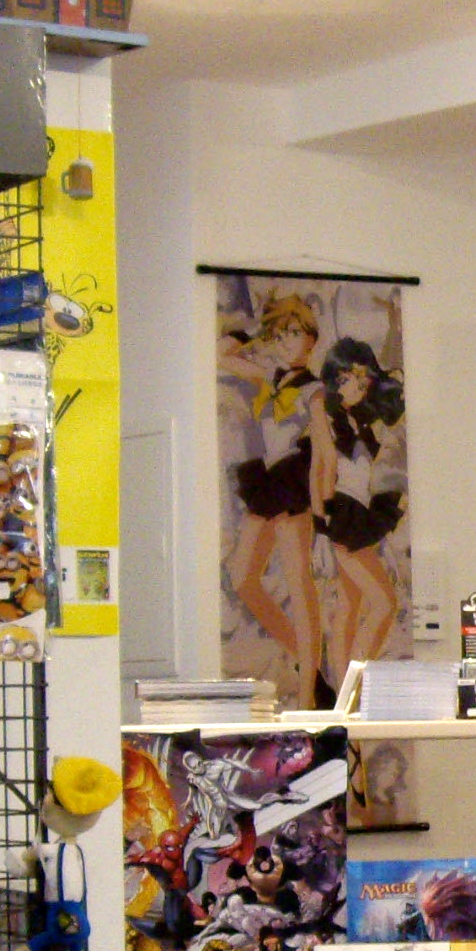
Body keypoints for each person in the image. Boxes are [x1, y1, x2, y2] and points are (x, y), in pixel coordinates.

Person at [221, 292, 326, 705]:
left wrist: (323, 507)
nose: (286, 342)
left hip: (293, 479)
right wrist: (256, 330)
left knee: (299, 582)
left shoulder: (312, 388)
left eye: (294, 333)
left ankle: (309, 693)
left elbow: (325, 448)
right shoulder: (269, 377)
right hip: (267, 479)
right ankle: (309, 662)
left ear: (311, 339)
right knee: (242, 577)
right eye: (280, 335)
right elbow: (221, 355)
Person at [310, 336, 408, 691]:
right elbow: (321, 467)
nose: (357, 387)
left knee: (350, 605)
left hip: (358, 511)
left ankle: (344, 694)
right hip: (342, 514)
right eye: (348, 379)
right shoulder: (324, 409)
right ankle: (354, 686)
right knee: (384, 602)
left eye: (363, 381)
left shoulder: (360, 417)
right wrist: (321, 528)